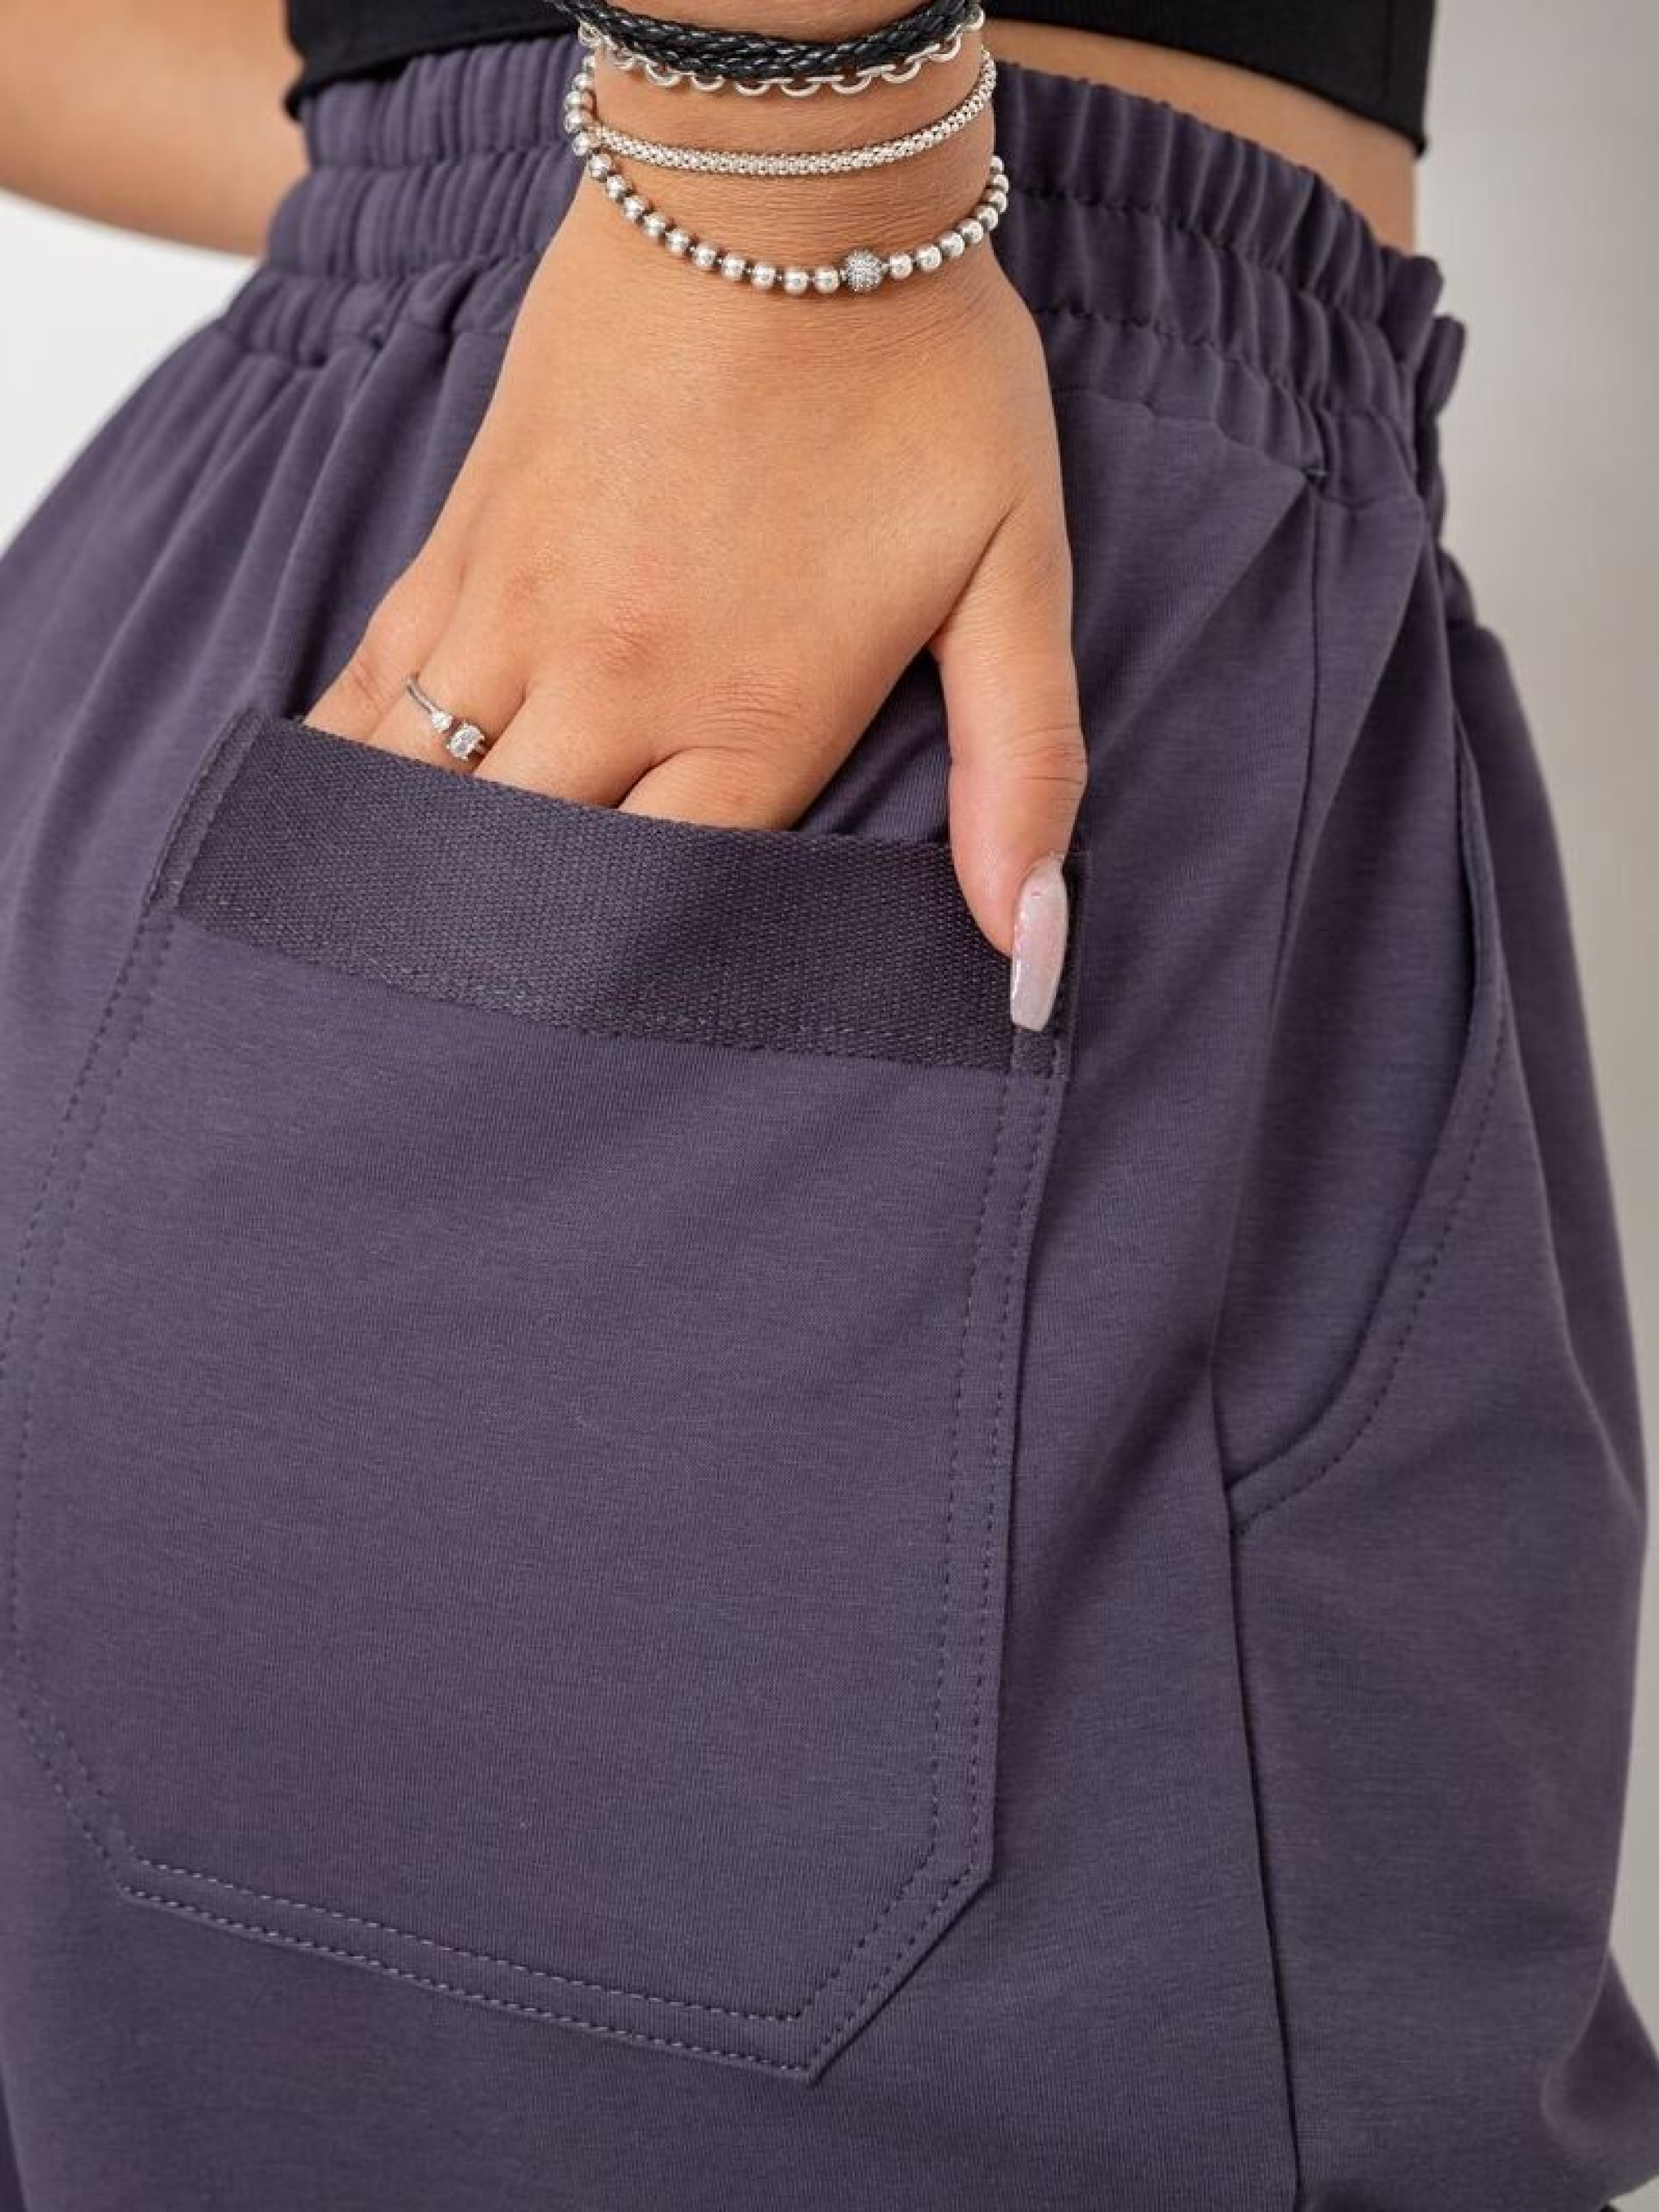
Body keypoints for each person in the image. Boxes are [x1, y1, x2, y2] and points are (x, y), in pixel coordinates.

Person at [0, 4, 1652, 2207]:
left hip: (278, 607)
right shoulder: (806, 193)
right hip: (802, 580)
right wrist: (780, 171)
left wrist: (547, 174)